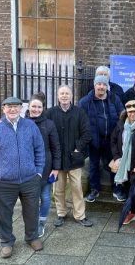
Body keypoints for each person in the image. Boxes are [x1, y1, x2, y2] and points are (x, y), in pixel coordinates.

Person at [0, 97, 45, 258]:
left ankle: (32, 237)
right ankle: (6, 242)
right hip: (3, 182)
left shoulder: (30, 126)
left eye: (16, 107)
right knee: (3, 214)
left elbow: (40, 150)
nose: (13, 110)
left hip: (30, 179)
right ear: (3, 109)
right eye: (9, 107)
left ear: (21, 109)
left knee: (31, 211)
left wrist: (38, 172)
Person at [46, 85, 93, 228]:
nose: (64, 96)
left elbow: (87, 133)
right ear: (58, 96)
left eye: (67, 93)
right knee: (58, 189)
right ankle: (61, 213)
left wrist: (78, 148)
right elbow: (40, 127)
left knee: (77, 188)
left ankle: (80, 215)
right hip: (57, 159)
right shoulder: (50, 113)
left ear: (71, 96)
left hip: (74, 159)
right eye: (62, 94)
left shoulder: (79, 112)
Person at [79, 75, 125, 202]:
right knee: (93, 165)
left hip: (111, 140)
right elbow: (81, 121)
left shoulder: (114, 98)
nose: (101, 87)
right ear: (94, 85)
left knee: (114, 164)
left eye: (104, 84)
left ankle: (117, 189)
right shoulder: (85, 101)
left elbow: (122, 115)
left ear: (107, 86)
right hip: (94, 139)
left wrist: (119, 134)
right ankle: (94, 190)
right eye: (99, 84)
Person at [110, 100, 135, 232]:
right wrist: (116, 158)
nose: (132, 114)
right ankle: (132, 212)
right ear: (126, 113)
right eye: (130, 112)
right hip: (124, 166)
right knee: (128, 191)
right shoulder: (121, 125)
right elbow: (114, 141)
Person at [25, 92, 61, 237]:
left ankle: (41, 222)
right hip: (27, 168)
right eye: (33, 106)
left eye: (39, 107)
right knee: (30, 199)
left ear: (43, 108)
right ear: (28, 106)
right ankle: (31, 222)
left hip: (45, 167)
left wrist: (56, 168)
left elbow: (56, 147)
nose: (36, 109)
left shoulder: (49, 124)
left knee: (45, 197)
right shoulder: (21, 122)